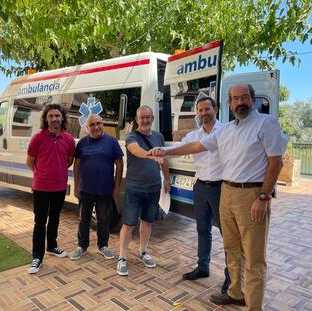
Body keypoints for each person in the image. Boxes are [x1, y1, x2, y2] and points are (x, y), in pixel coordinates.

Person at [148, 84, 287, 310]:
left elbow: (276, 163)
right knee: (231, 248)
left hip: (251, 193)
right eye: (235, 99)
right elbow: (195, 145)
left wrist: (263, 197)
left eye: (244, 98)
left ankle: (254, 306)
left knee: (253, 256)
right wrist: (165, 151)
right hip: (227, 192)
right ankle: (235, 292)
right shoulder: (227, 130)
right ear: (230, 104)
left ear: (253, 99)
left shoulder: (266, 124)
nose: (240, 102)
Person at [173, 93, 230, 293]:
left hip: (222, 188)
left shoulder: (226, 131)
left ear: (216, 109)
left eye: (207, 109)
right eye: (200, 110)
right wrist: (158, 150)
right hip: (201, 187)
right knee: (202, 230)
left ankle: (231, 277)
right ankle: (203, 267)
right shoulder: (194, 136)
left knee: (228, 234)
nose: (204, 113)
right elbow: (180, 147)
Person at [117, 105, 171, 276]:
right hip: (134, 187)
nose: (145, 120)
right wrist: (149, 153)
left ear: (153, 118)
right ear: (137, 120)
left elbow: (164, 160)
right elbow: (135, 150)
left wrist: (167, 179)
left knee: (147, 222)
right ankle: (122, 257)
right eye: (142, 118)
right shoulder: (131, 136)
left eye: (148, 117)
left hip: (154, 187)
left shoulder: (158, 136)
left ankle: (143, 252)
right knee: (129, 224)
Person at [26, 104, 75, 274]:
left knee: (55, 218)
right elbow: (30, 161)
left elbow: (69, 161)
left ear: (63, 118)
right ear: (46, 119)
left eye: (57, 115)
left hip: (59, 186)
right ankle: (37, 257)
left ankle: (52, 246)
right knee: (40, 222)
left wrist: (56, 172)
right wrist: (41, 173)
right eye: (51, 116)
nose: (54, 119)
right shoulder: (38, 138)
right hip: (41, 187)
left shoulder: (68, 139)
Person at [70, 114, 124, 260]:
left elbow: (119, 163)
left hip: (105, 189)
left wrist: (117, 186)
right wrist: (76, 187)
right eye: (92, 125)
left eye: (98, 123)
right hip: (85, 189)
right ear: (87, 128)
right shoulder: (82, 143)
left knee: (104, 219)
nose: (96, 127)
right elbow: (76, 164)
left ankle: (103, 245)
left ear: (103, 124)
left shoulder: (111, 142)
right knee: (84, 219)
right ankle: (82, 246)